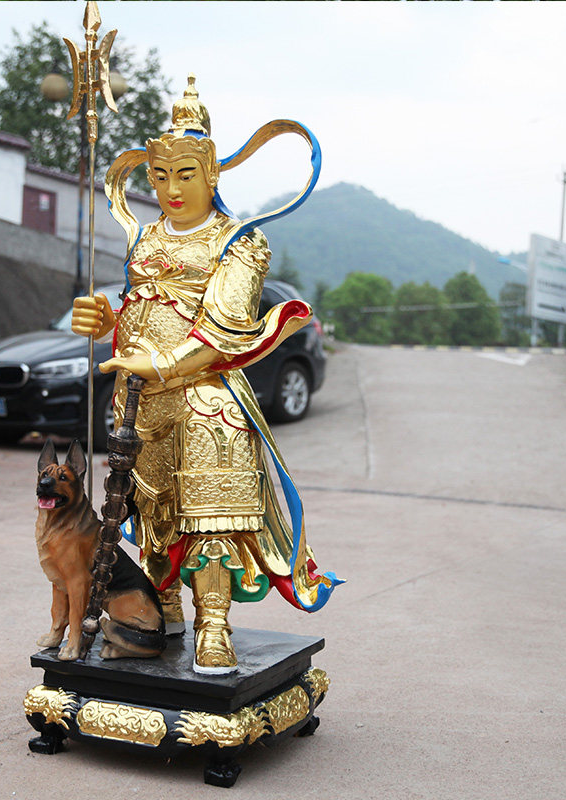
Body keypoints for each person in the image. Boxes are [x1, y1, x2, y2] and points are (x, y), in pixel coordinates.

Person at [72, 76, 340, 674]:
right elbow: (138, 307)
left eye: (185, 175)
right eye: (160, 176)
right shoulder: (143, 239)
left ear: (212, 173)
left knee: (211, 509)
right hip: (137, 395)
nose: (170, 188)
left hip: (203, 394)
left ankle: (213, 623)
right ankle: (160, 604)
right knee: (148, 505)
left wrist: (163, 363)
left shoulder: (241, 242)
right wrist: (102, 319)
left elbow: (223, 325)